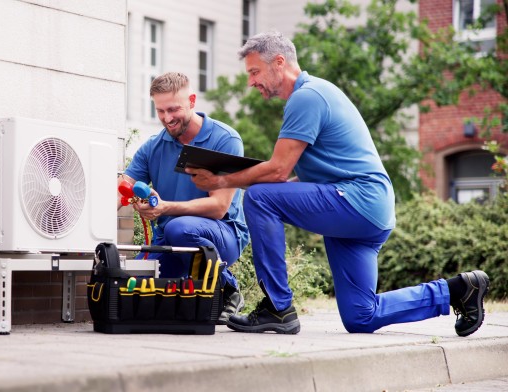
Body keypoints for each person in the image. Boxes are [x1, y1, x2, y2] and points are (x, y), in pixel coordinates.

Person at [187, 31, 490, 336]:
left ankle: (277, 307)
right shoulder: (315, 94)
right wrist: (268, 187)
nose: (251, 82)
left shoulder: (307, 97)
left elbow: (277, 171)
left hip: (357, 200)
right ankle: (457, 290)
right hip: (366, 210)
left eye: (254, 72)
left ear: (279, 63)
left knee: (260, 197)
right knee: (361, 316)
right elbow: (296, 178)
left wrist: (221, 180)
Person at [119, 72, 250, 324]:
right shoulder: (153, 147)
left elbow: (219, 207)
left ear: (191, 100)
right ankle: (196, 292)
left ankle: (228, 288)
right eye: (160, 111)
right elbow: (122, 186)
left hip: (222, 235)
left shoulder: (223, 140)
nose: (167, 118)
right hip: (168, 240)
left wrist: (165, 208)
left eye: (173, 109)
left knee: (180, 227)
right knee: (129, 290)